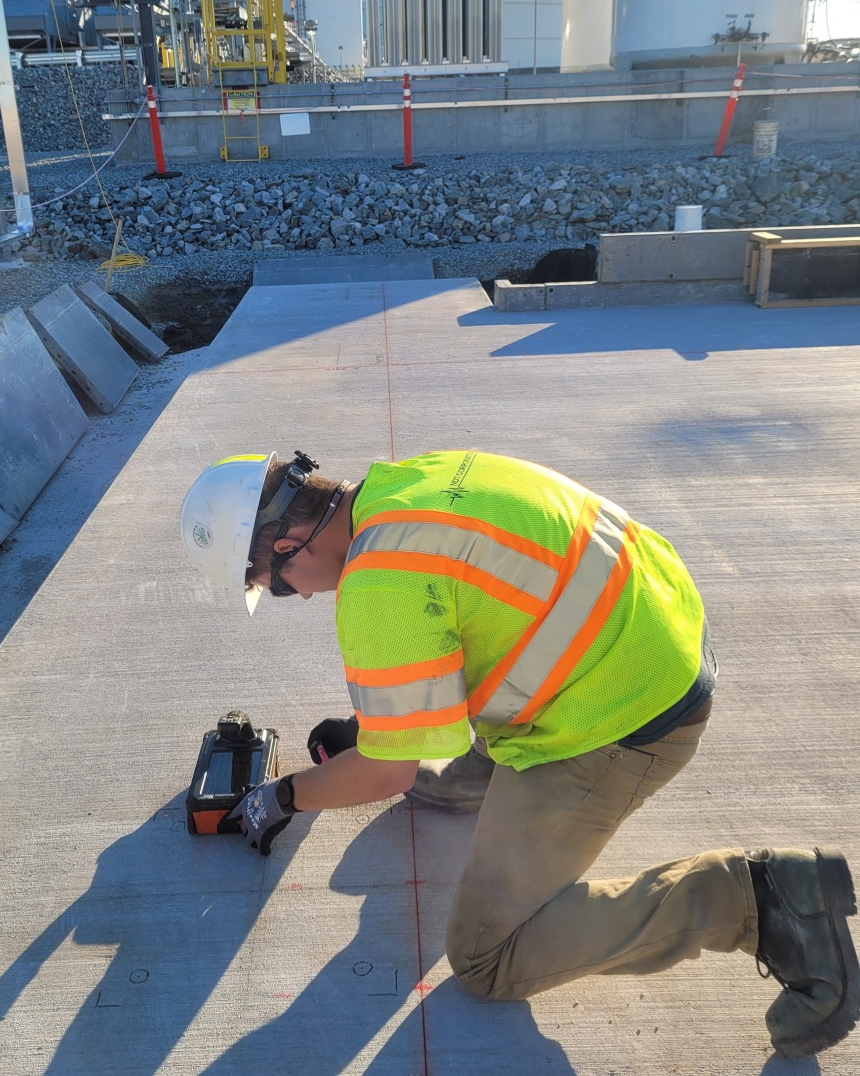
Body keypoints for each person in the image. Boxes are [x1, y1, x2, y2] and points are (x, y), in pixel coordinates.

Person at [179, 448, 860, 1060]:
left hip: (623, 723)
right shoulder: (407, 480)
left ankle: (760, 902)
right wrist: (387, 726)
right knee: (449, 689)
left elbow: (385, 774)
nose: (291, 597)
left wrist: (286, 795)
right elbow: (470, 603)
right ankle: (469, 765)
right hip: (653, 627)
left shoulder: (378, 584)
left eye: (276, 585)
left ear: (291, 542)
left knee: (485, 958)